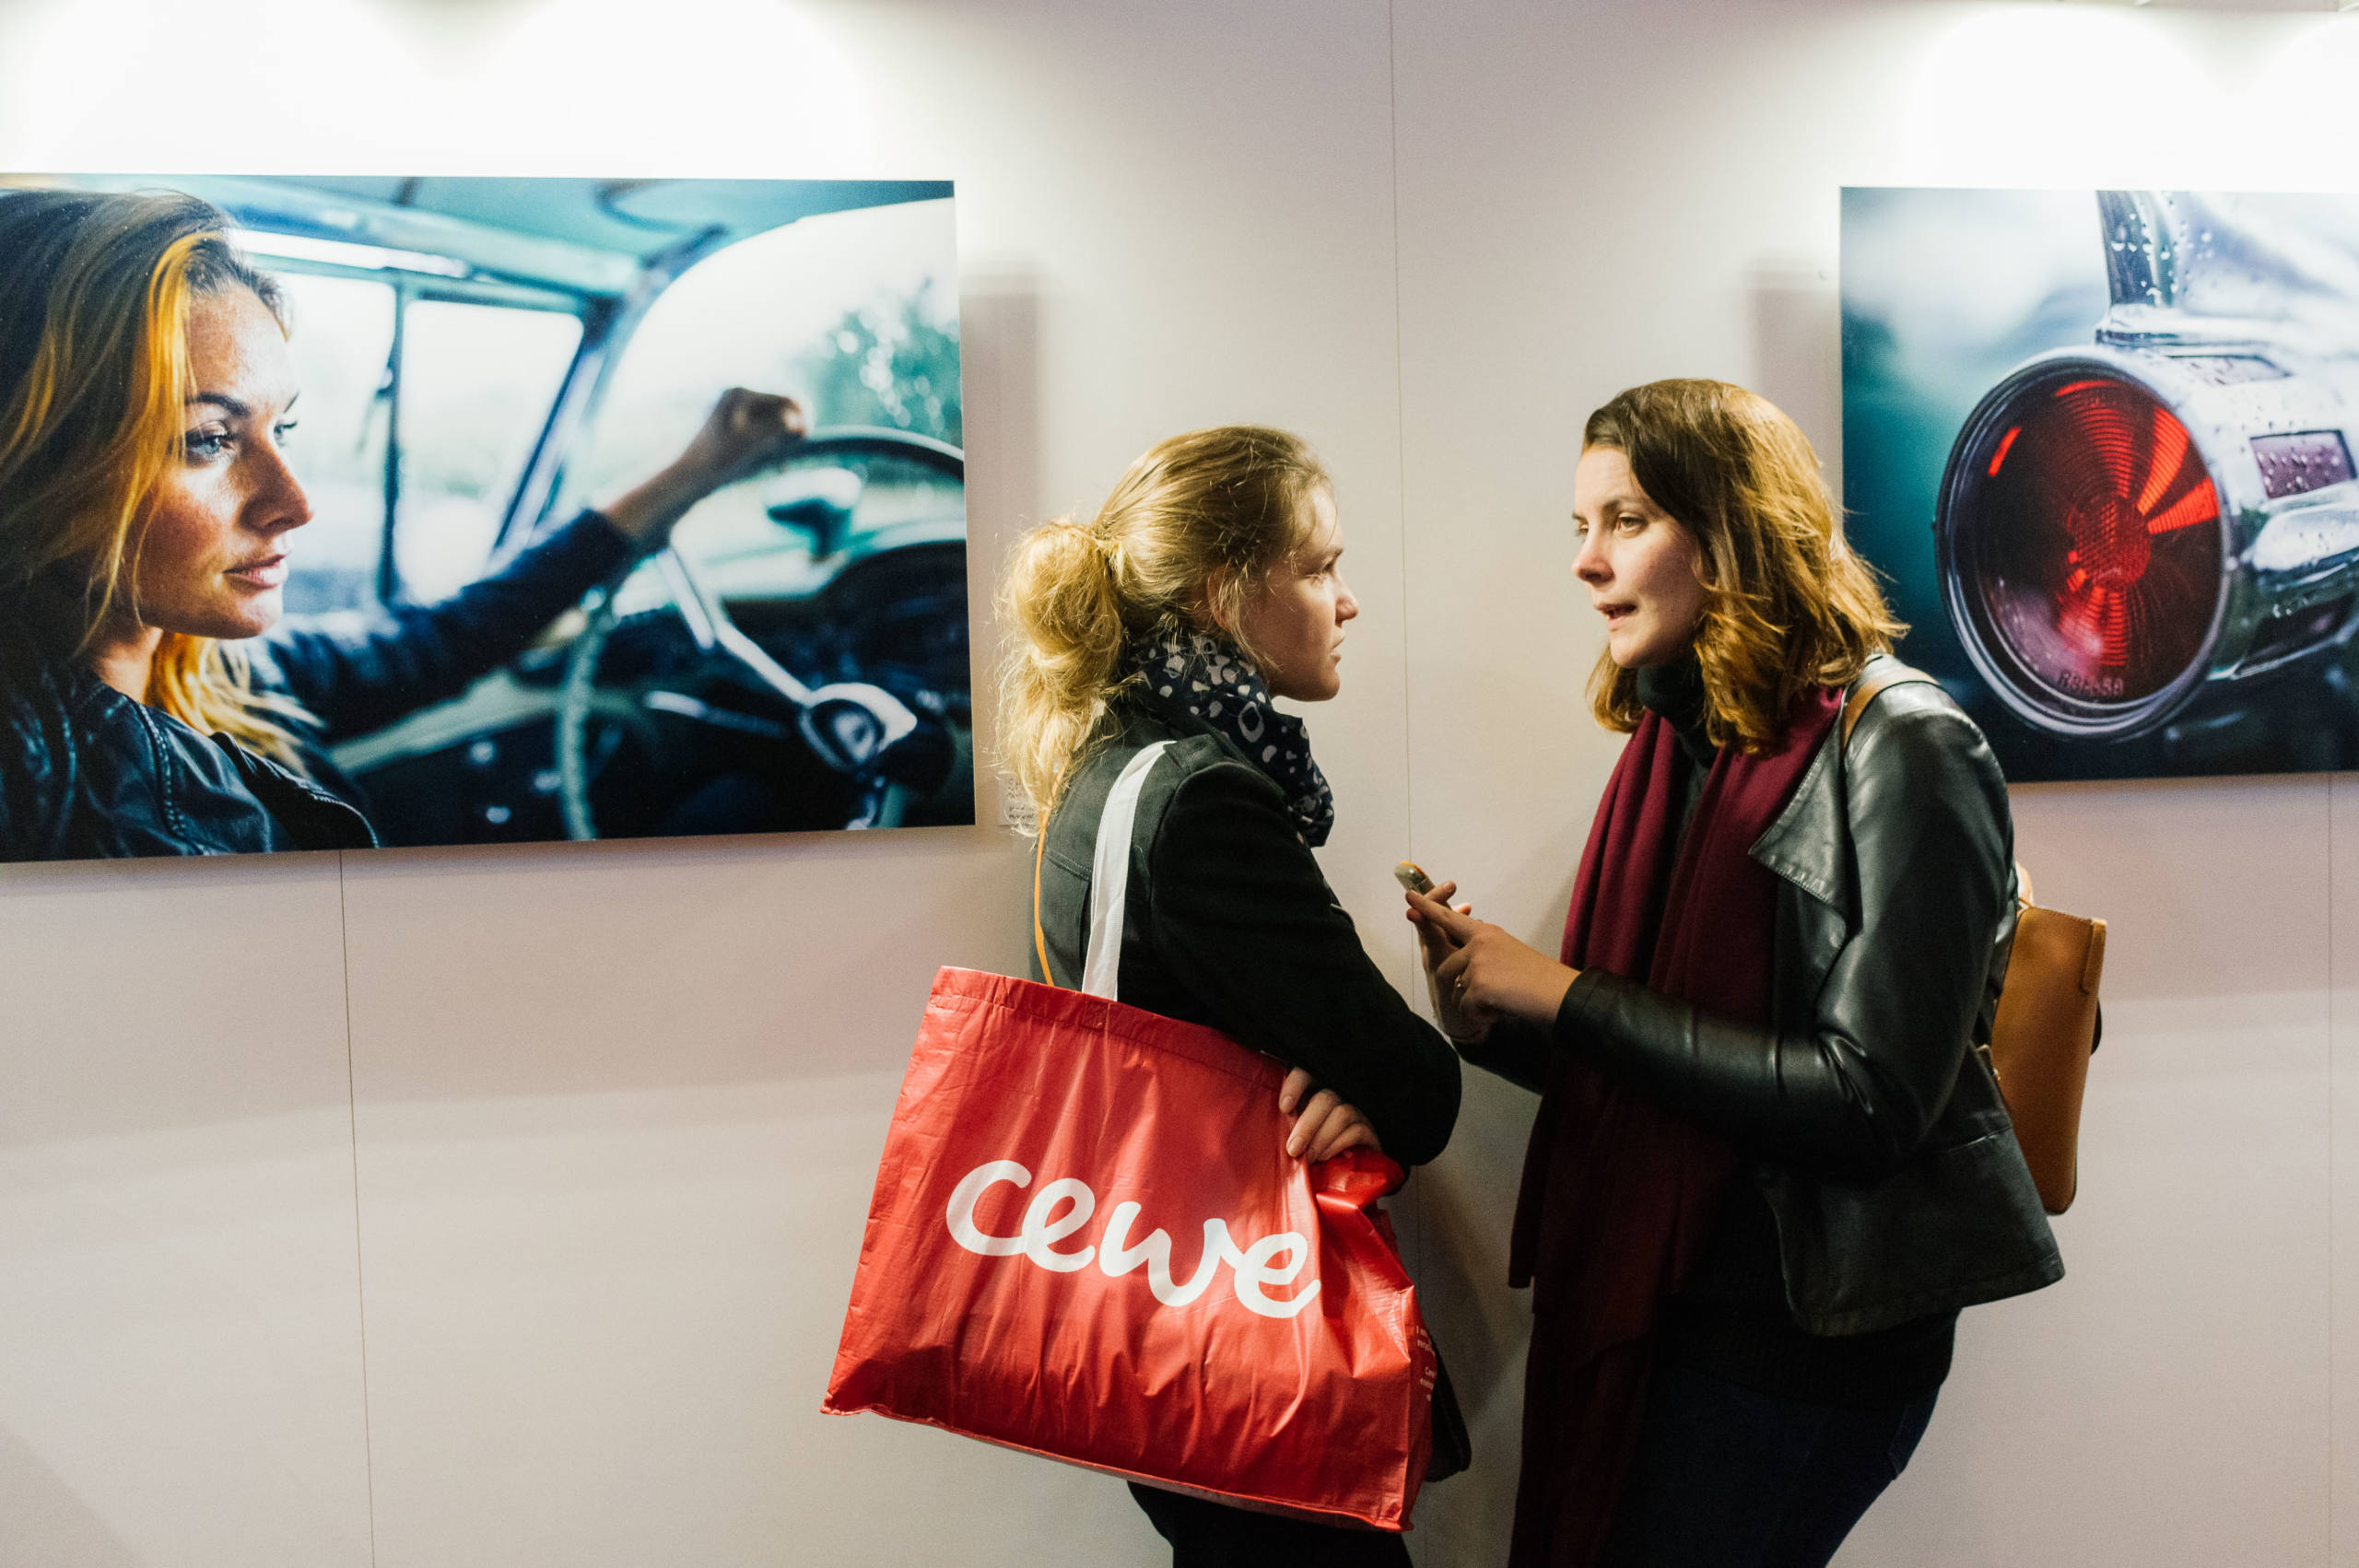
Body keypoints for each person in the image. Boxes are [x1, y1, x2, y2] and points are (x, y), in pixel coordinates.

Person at [1404, 380, 2063, 1568]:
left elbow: (1868, 1101)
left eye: (1626, 521)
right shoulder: (1678, 740)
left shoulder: (1909, 743)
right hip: (1674, 1317)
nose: (1586, 563)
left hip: (1800, 1345)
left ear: (1729, 534)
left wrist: (1562, 995)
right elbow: (1662, 1071)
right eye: (1580, 528)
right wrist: (1495, 1013)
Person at [0, 188, 807, 860]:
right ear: (30, 462)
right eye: (208, 439)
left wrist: (693, 471)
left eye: (280, 430)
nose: (296, 502)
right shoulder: (37, 782)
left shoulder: (215, 670)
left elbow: (444, 639)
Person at [998, 425, 1468, 1565]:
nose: (1346, 601)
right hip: (1240, 1350)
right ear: (1225, 593)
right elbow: (1417, 1091)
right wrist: (1382, 1081)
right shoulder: (1207, 801)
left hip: (1145, 1326)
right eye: (1317, 569)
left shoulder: (1104, 763)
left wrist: (1337, 1080)